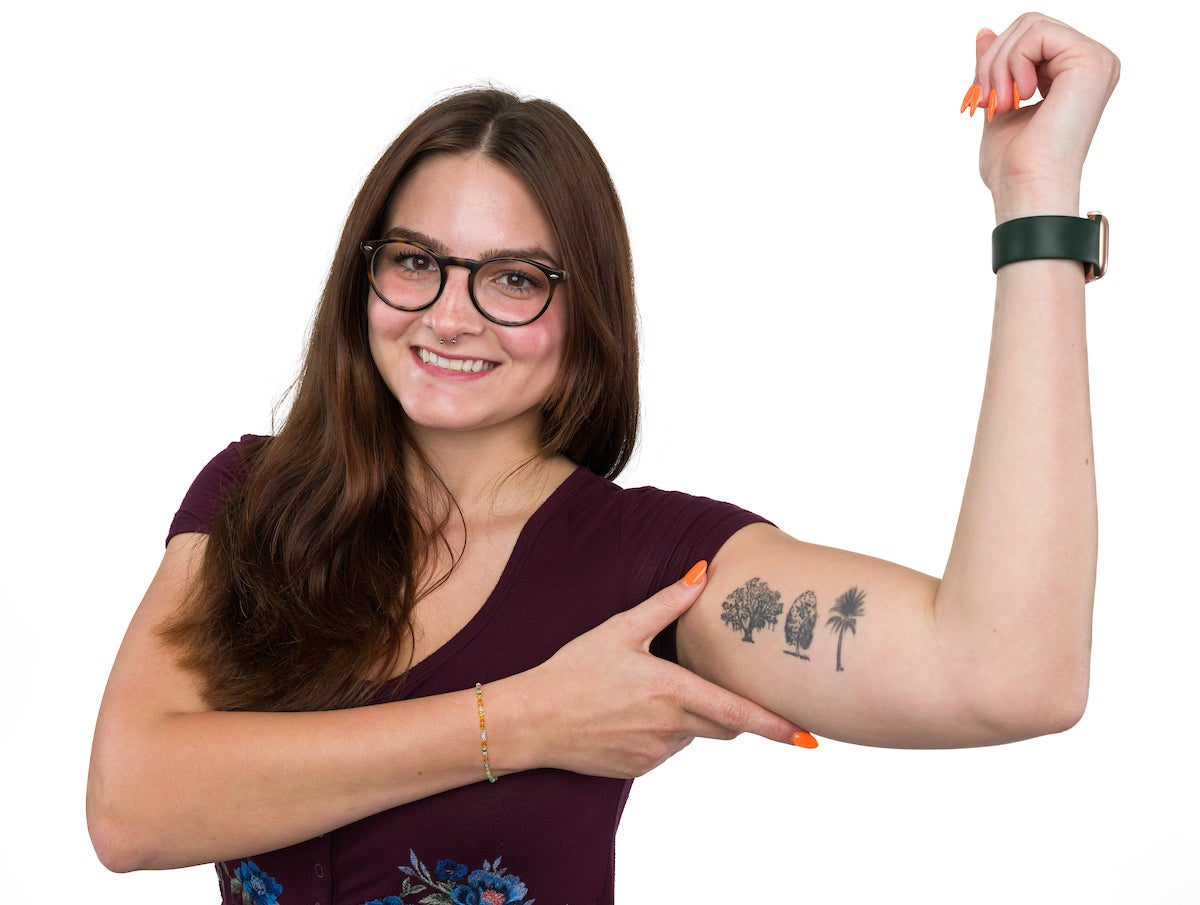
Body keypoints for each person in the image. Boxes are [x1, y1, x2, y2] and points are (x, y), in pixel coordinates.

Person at [87, 12, 1119, 905]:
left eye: (513, 277)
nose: (450, 313)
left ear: (587, 314)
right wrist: (523, 719)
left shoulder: (648, 568)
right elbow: (130, 807)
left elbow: (1009, 673)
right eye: (414, 261)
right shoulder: (253, 497)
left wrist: (1037, 204)